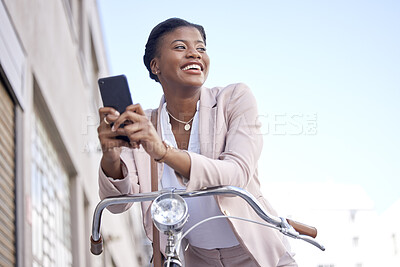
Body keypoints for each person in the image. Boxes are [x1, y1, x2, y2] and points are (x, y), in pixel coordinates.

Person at [97, 18, 296, 267]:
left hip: (258, 255)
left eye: (201, 48)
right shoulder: (145, 124)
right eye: (180, 47)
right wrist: (111, 156)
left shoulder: (234, 99)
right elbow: (120, 203)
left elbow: (237, 173)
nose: (195, 54)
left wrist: (163, 151)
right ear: (155, 65)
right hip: (199, 259)